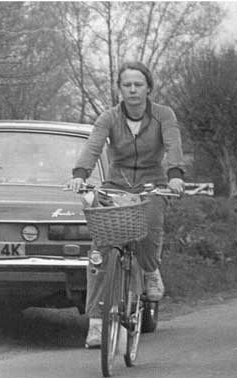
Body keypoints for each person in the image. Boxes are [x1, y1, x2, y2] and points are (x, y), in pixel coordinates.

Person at [68, 61, 187, 348]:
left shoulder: (163, 116)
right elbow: (93, 146)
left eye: (138, 84)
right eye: (127, 85)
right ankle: (96, 322)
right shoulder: (109, 117)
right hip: (117, 183)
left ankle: (149, 270)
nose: (133, 90)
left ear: (148, 88)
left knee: (150, 229)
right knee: (100, 248)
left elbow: (173, 146)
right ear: (119, 88)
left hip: (152, 183)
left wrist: (174, 176)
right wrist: (79, 175)